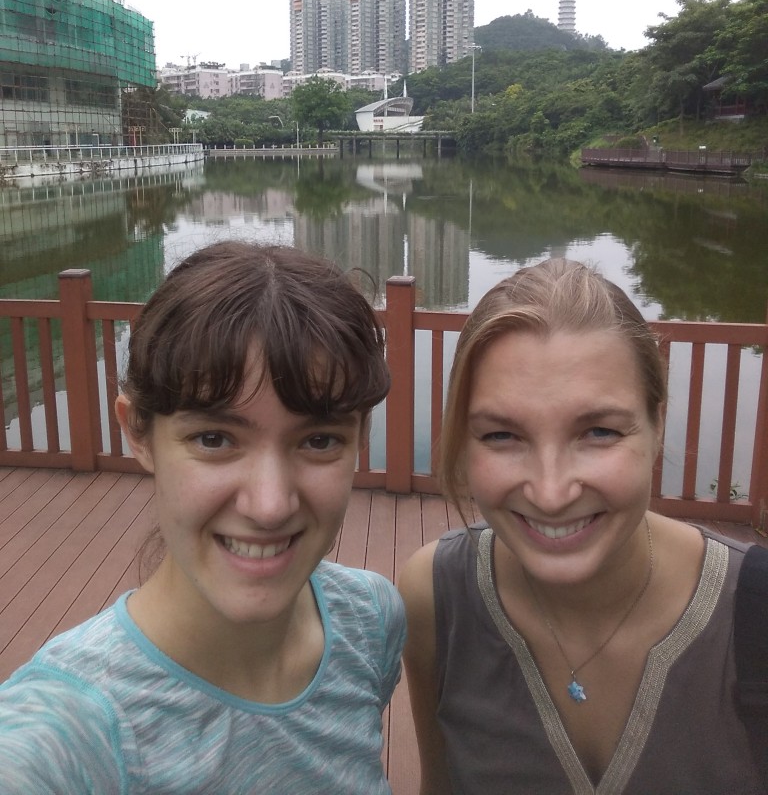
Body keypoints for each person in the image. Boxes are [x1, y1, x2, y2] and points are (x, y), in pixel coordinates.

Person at [0, 241, 405, 794]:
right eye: (214, 439)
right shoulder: (67, 736)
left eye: (318, 439)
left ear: (362, 438)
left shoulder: (370, 621)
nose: (269, 505)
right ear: (137, 431)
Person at [399, 258, 767, 795]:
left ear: (657, 422)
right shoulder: (437, 596)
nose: (551, 492)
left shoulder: (752, 613)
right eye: (502, 436)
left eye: (598, 431)